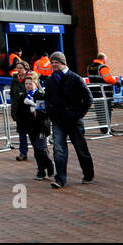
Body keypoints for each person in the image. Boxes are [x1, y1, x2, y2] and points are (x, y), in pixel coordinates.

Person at [43, 51, 94, 188]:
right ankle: (60, 179)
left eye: (56, 62)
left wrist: (78, 114)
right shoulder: (50, 80)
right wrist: (51, 112)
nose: (53, 65)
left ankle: (88, 174)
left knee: (81, 149)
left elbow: (88, 99)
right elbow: (47, 99)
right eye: (52, 62)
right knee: (58, 149)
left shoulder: (75, 78)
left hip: (73, 121)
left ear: (63, 63)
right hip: (58, 121)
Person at [17, 72, 54, 180]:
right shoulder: (23, 97)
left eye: (30, 83)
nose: (28, 85)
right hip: (30, 127)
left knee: (41, 148)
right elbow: (20, 114)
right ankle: (41, 171)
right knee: (36, 149)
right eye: (26, 83)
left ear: (36, 84)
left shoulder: (40, 96)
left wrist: (35, 109)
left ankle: (49, 164)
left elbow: (46, 112)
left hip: (42, 126)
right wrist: (21, 127)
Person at [8, 61, 31, 162]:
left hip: (30, 110)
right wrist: (13, 111)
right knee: (21, 133)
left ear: (26, 68)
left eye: (20, 68)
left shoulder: (31, 78)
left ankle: (40, 152)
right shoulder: (14, 80)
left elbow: (39, 93)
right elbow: (12, 96)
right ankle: (23, 153)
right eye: (17, 68)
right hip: (19, 111)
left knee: (32, 132)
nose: (19, 70)